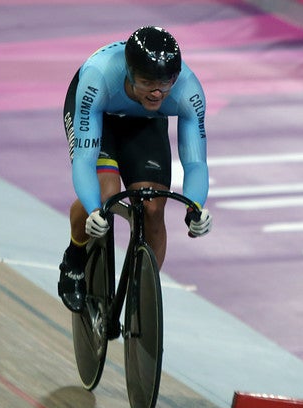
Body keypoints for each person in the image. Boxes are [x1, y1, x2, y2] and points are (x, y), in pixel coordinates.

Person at [58, 26, 212, 312]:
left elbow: (195, 162)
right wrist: (93, 209)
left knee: (153, 208)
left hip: (144, 123)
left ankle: (143, 295)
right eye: (148, 82)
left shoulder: (188, 90)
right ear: (130, 74)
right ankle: (75, 255)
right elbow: (83, 161)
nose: (157, 92)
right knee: (106, 192)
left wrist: (195, 207)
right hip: (99, 113)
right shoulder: (98, 78)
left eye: (166, 83)